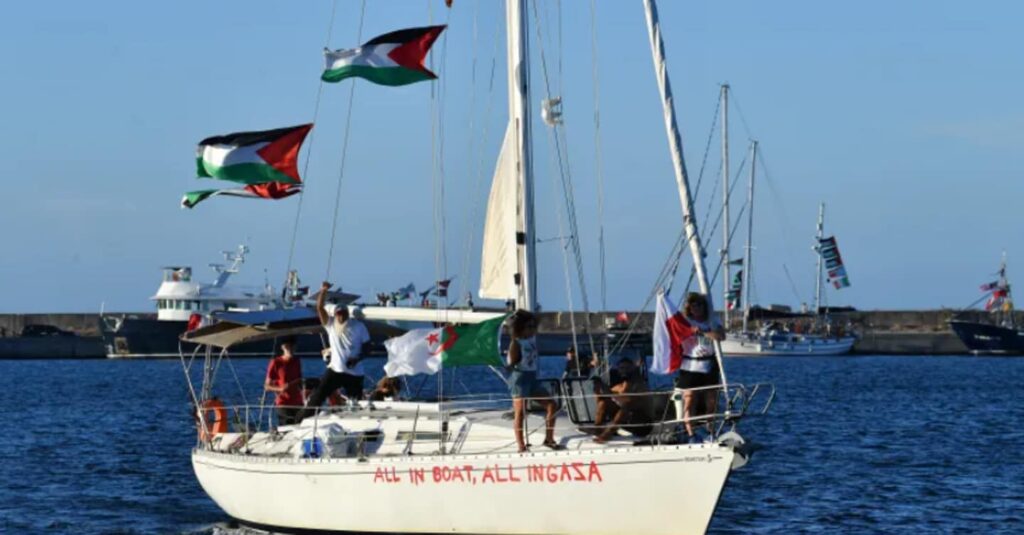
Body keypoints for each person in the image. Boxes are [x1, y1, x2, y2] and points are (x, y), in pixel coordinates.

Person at [299, 282, 371, 421]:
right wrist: (323, 290)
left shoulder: (358, 326)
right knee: (318, 395)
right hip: (335, 370)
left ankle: (355, 424)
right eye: (338, 313)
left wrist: (357, 359)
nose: (340, 316)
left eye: (343, 313)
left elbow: (368, 347)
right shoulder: (330, 324)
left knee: (354, 403)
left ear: (347, 314)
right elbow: (319, 307)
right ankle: (301, 421)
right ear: (335, 314)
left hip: (354, 372)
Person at [506, 310, 562, 453]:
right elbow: (511, 363)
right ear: (521, 328)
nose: (532, 329)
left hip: (533, 377)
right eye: (529, 327)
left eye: (533, 326)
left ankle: (549, 438)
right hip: (520, 378)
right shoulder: (516, 343)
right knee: (520, 412)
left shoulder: (532, 339)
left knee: (552, 405)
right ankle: (521, 445)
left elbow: (537, 319)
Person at [675, 292, 725, 443]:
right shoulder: (685, 321)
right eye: (693, 305)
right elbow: (676, 334)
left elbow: (721, 336)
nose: (696, 308)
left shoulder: (712, 320)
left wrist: (703, 331)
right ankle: (691, 434)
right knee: (690, 400)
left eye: (699, 304)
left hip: (709, 365)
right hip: (690, 365)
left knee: (711, 401)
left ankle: (711, 431)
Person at [593, 357, 653, 443]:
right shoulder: (620, 385)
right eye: (621, 368)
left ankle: (607, 434)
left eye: (627, 368)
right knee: (603, 403)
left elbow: (627, 399)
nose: (624, 371)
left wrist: (608, 392)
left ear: (632, 369)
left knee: (626, 407)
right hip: (627, 423)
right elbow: (603, 399)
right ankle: (597, 430)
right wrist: (598, 389)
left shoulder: (639, 384)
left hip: (643, 425)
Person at [264, 336, 303, 426]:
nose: (290, 349)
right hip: (283, 403)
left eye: (292, 346)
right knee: (287, 428)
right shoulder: (276, 362)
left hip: (298, 402)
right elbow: (266, 386)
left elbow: (299, 379)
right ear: (282, 347)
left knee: (300, 429)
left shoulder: (297, 361)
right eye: (287, 346)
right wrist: (280, 389)